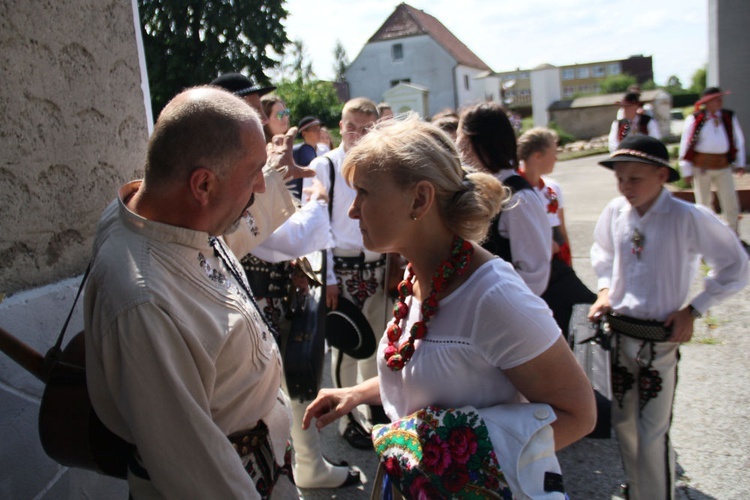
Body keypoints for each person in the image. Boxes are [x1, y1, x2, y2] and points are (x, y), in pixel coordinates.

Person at [302, 115, 596, 497]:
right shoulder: (418, 276)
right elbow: (435, 378)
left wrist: (450, 463)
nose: (353, 210)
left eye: (365, 193)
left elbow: (579, 415)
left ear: (420, 199)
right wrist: (357, 394)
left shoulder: (495, 297)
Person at [84, 86, 311, 498]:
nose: (261, 186)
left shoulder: (166, 214)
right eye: (254, 172)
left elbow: (215, 239)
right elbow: (196, 471)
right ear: (203, 184)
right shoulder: (146, 303)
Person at [212, 77, 360, 490]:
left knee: (288, 386)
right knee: (281, 389)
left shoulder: (246, 164)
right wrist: (317, 203)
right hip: (257, 299)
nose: (263, 118)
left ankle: (306, 465)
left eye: (265, 110)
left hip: (270, 293)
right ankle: (303, 468)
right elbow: (279, 238)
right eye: (257, 109)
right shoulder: (236, 171)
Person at [588, 135, 748, 500]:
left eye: (635, 178)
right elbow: (603, 252)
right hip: (621, 333)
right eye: (620, 178)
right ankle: (640, 489)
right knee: (625, 424)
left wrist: (694, 309)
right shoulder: (615, 212)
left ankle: (657, 495)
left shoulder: (687, 217)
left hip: (660, 339)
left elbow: (735, 265)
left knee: (651, 430)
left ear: (662, 176)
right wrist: (605, 290)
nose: (625, 187)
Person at [305, 97, 387, 449]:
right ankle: (347, 416)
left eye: (365, 128)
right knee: (347, 347)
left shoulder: (380, 164)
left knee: (380, 343)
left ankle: (375, 407)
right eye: (351, 126)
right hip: (344, 266)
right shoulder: (326, 164)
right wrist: (331, 279)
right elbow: (319, 224)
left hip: (379, 263)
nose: (357, 134)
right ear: (340, 126)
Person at [457, 102, 552, 295]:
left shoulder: (519, 198)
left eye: (458, 137)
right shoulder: (471, 190)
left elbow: (534, 276)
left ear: (470, 142)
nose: (456, 146)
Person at [518, 127, 596, 338]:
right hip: (534, 265)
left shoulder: (552, 188)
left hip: (557, 260)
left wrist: (568, 261)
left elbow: (561, 227)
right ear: (537, 155)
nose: (557, 157)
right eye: (554, 151)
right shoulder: (515, 188)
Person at [678, 86, 746, 234]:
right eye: (715, 99)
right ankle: (706, 236)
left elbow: (738, 140)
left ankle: (733, 234)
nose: (719, 102)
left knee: (730, 201)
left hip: (723, 166)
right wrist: (686, 169)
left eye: (720, 99)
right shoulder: (696, 119)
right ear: (707, 103)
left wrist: (740, 163)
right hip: (702, 167)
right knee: (704, 203)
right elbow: (686, 144)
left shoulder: (728, 117)